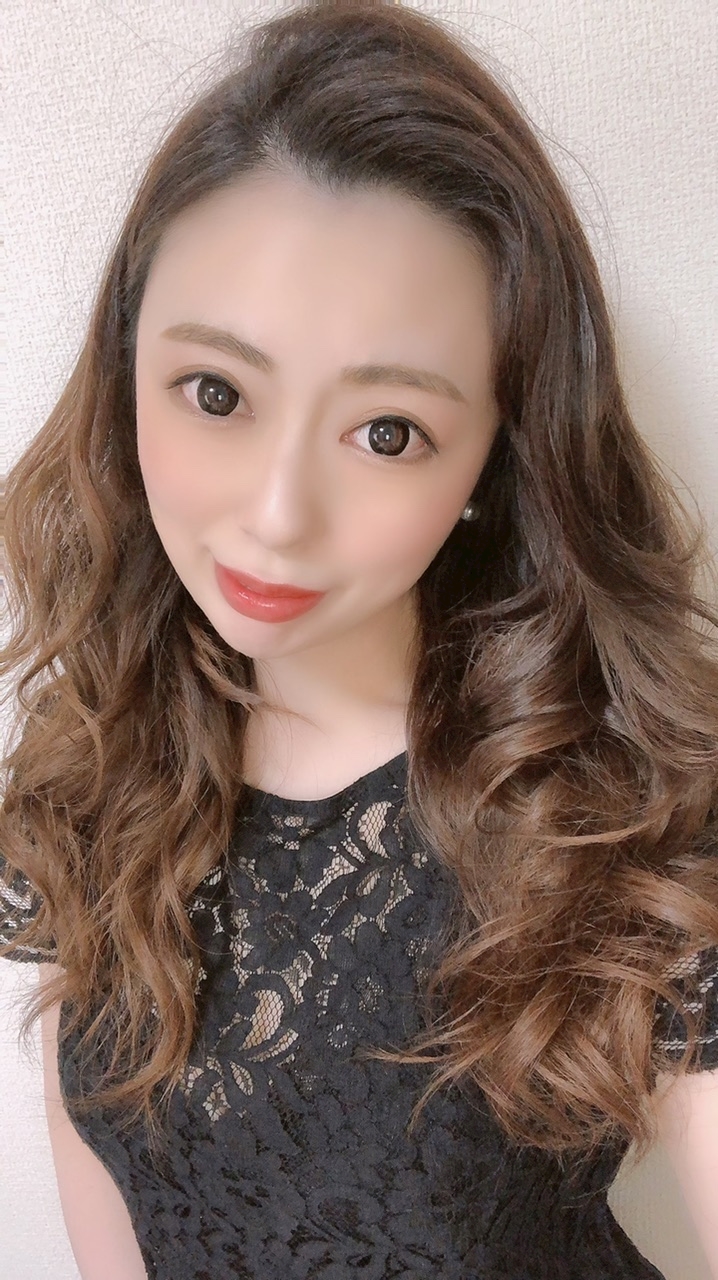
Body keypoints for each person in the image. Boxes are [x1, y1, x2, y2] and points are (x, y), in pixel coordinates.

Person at [1, 1, 717, 1277]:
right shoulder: (95, 767)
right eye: (215, 392)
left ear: (497, 454)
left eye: (388, 432)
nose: (278, 514)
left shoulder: (620, 819)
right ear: (124, 375)